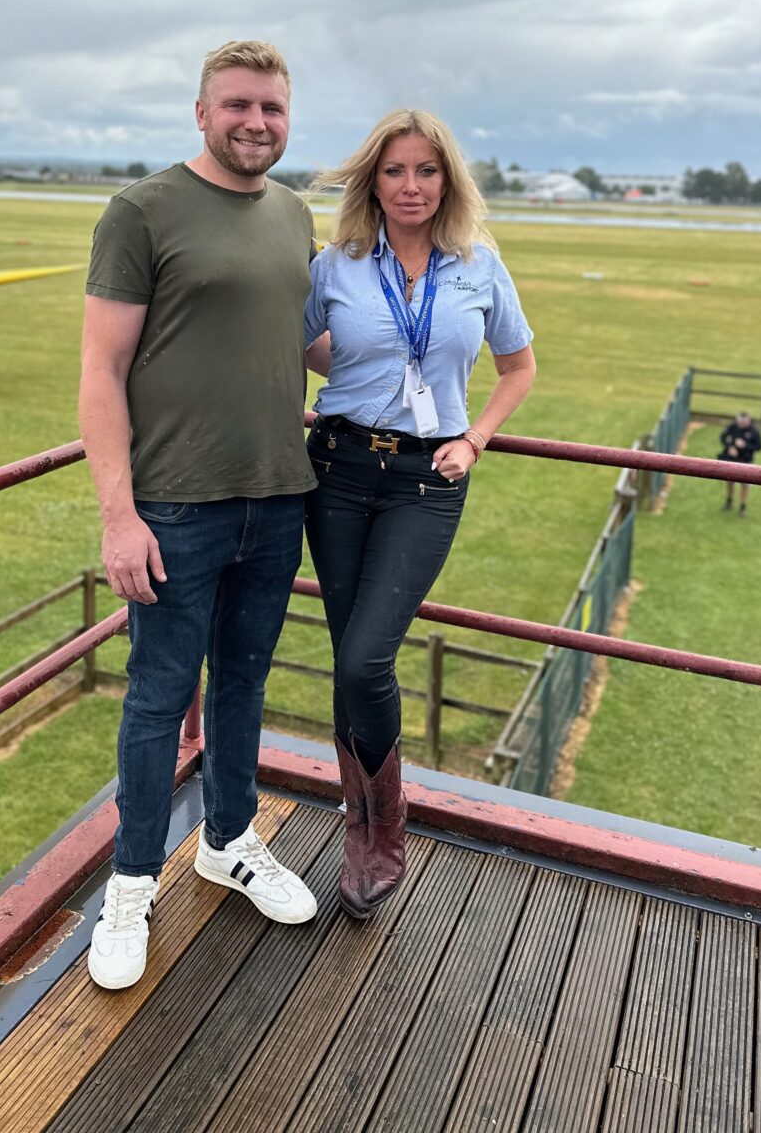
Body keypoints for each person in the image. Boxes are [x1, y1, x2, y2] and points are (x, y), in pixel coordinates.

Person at [79, 40, 318, 990]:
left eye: (271, 107)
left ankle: (226, 841)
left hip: (277, 493)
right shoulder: (142, 211)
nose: (255, 122)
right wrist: (118, 515)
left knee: (245, 686)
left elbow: (308, 341)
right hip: (176, 505)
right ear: (201, 111)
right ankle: (133, 882)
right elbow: (100, 371)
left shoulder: (297, 213)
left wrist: (431, 332)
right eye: (238, 106)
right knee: (155, 697)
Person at [303, 109, 535, 920]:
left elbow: (519, 366)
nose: (410, 186)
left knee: (367, 658)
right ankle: (355, 827)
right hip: (334, 470)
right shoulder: (334, 266)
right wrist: (355, 360)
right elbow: (301, 344)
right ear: (374, 180)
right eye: (395, 171)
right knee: (345, 655)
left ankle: (386, 830)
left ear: (448, 181)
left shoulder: (478, 266)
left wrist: (474, 438)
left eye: (425, 171)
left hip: (426, 479)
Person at [718, 411, 761, 514]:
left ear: (748, 421)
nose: (741, 424)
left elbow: (759, 446)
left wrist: (745, 445)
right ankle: (729, 501)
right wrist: (729, 447)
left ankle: (743, 506)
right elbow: (722, 437)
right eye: (739, 422)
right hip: (732, 460)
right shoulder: (733, 427)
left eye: (743, 422)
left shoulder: (754, 431)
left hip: (746, 461)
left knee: (745, 485)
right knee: (729, 482)